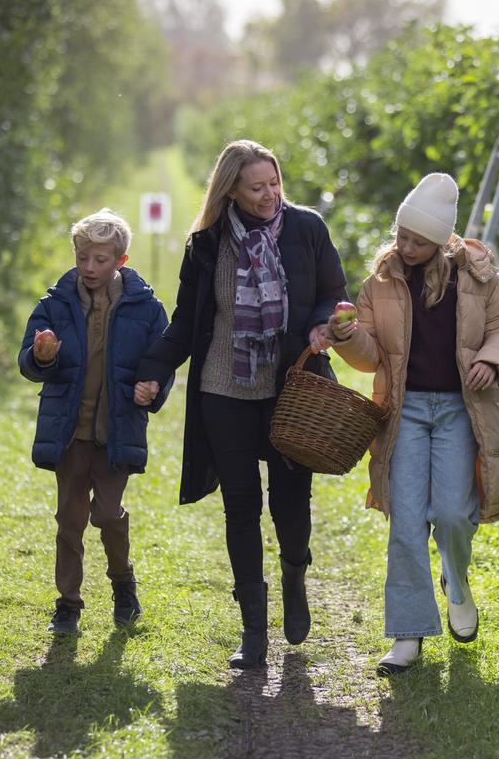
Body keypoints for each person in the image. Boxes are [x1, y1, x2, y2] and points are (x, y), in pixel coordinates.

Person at [133, 140, 346, 669]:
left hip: (290, 391)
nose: (271, 194)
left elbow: (332, 291)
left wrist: (324, 323)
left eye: (275, 183)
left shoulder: (307, 229)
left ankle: (295, 575)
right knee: (241, 507)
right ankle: (254, 631)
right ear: (230, 189)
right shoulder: (205, 245)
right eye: (257, 187)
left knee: (291, 508)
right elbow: (186, 323)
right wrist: (153, 372)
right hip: (224, 391)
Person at [325, 172, 499, 676]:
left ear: (439, 240)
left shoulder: (477, 277)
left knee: (456, 514)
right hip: (405, 411)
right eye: (402, 236)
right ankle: (408, 634)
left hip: (461, 408)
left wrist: (493, 360)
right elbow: (370, 357)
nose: (405, 247)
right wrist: (346, 335)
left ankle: (456, 583)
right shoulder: (381, 282)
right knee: (407, 524)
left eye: (417, 240)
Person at [18, 208, 171, 634]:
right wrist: (41, 356)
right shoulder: (54, 304)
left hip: (116, 431)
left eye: (100, 260)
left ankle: (123, 583)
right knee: (69, 519)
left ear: (120, 260)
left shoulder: (146, 308)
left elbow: (162, 360)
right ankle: (67, 605)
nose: (89, 267)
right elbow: (28, 361)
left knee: (107, 515)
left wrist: (152, 386)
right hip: (70, 433)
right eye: (83, 257)